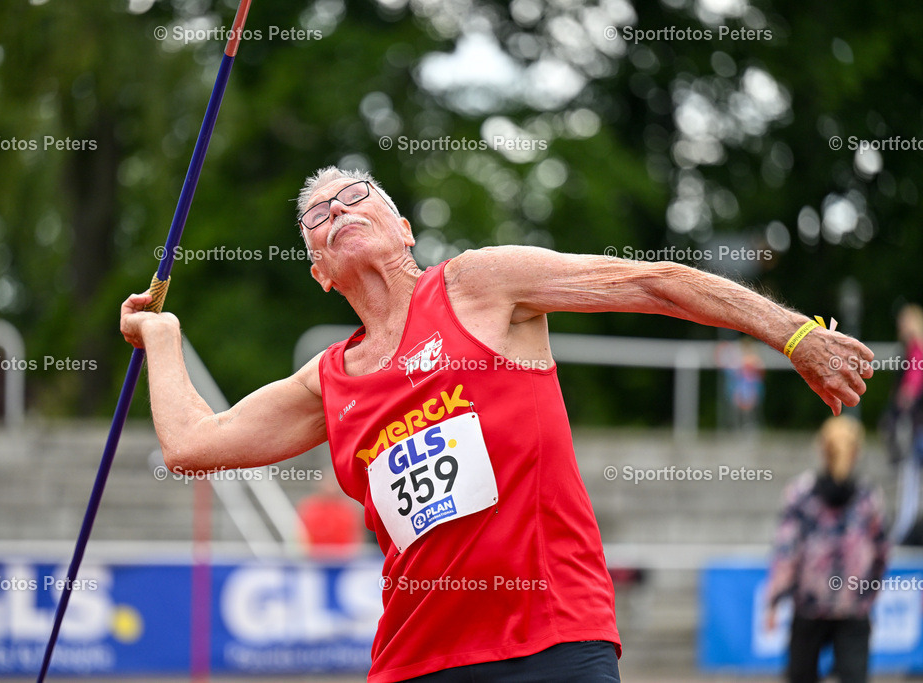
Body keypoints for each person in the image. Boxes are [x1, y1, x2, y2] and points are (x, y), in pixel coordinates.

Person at [121, 167, 874, 682]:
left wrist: (793, 333)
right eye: (318, 218)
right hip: (417, 661)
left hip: (553, 637)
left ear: (404, 227)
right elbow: (191, 444)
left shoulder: (478, 287)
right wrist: (161, 338)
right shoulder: (329, 380)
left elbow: (651, 280)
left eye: (355, 196)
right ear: (319, 270)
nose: (338, 212)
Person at [764, 416, 888, 683]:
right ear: (857, 452)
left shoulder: (801, 493)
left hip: (810, 603)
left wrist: (773, 601)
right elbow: (881, 552)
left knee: (800, 675)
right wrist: (869, 594)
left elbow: (787, 551)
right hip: (853, 604)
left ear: (822, 449)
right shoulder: (868, 497)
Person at [884, 303, 923, 543]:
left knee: (910, 474)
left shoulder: (915, 348)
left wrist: (902, 403)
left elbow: (912, 381)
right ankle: (903, 525)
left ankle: (903, 527)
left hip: (916, 423)